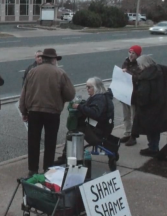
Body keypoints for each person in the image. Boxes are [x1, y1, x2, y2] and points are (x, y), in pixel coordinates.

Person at [20, 48, 75, 177]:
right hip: (52, 112)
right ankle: (47, 168)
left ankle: (32, 169)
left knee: (33, 141)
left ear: (43, 58)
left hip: (34, 111)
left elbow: (24, 93)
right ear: (53, 59)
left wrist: (23, 111)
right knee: (50, 142)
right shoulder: (60, 73)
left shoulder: (32, 72)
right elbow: (70, 94)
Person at [131, 55, 167, 157]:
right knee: (156, 127)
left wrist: (137, 101)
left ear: (144, 65)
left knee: (151, 128)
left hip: (150, 107)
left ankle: (153, 148)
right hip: (163, 103)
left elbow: (143, 96)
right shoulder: (161, 69)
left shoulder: (144, 77)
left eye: (139, 65)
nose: (138, 67)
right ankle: (153, 147)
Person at [55, 77, 115, 164]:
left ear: (96, 88)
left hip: (98, 132)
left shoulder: (99, 98)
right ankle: (67, 156)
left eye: (89, 87)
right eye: (86, 87)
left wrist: (79, 106)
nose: (87, 89)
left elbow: (94, 113)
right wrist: (83, 105)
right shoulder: (102, 96)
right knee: (76, 127)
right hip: (102, 128)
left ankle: (65, 157)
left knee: (72, 132)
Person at [119, 45, 142, 146]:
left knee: (134, 116)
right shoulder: (126, 61)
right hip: (125, 92)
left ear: (137, 55)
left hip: (135, 94)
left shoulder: (140, 64)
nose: (131, 55)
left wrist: (126, 72)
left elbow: (138, 77)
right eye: (130, 52)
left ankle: (133, 136)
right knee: (126, 115)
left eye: (133, 53)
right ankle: (127, 132)